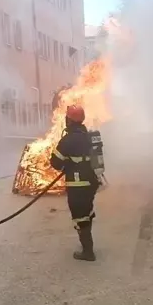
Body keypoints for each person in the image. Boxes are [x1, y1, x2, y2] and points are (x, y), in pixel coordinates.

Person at [50, 105, 100, 261]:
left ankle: (88, 252)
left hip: (77, 185)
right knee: (86, 212)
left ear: (70, 121)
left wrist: (68, 164)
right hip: (91, 183)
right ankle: (87, 245)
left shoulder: (68, 139)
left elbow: (55, 162)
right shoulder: (89, 136)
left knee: (79, 216)